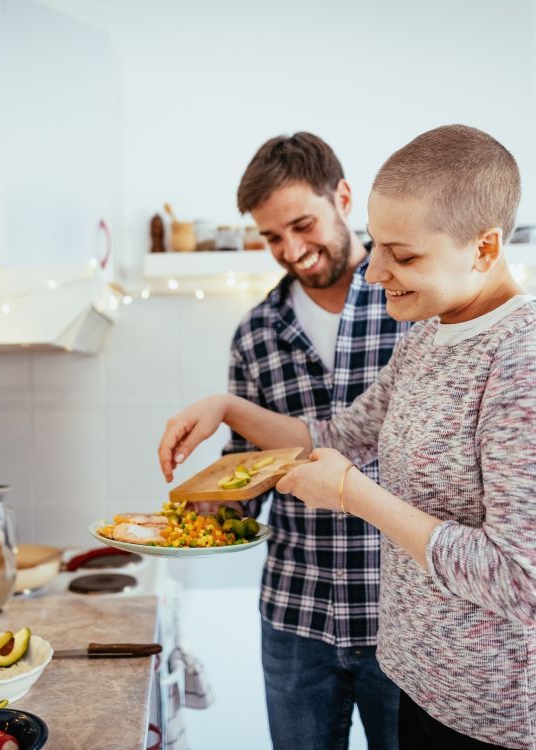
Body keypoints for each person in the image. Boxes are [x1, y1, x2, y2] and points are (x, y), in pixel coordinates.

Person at [159, 125, 536, 750]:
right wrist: (226, 409)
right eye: (378, 247)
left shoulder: (532, 361)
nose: (375, 272)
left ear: (484, 248)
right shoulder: (426, 340)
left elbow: (524, 582)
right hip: (428, 694)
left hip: (519, 721)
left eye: (402, 256)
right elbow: (336, 436)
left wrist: (354, 496)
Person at [197, 132, 410, 749]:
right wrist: (205, 508)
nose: (291, 249)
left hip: (403, 613)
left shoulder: (410, 303)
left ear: (343, 197)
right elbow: (247, 470)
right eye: (271, 237)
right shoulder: (257, 333)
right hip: (296, 615)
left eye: (302, 224)